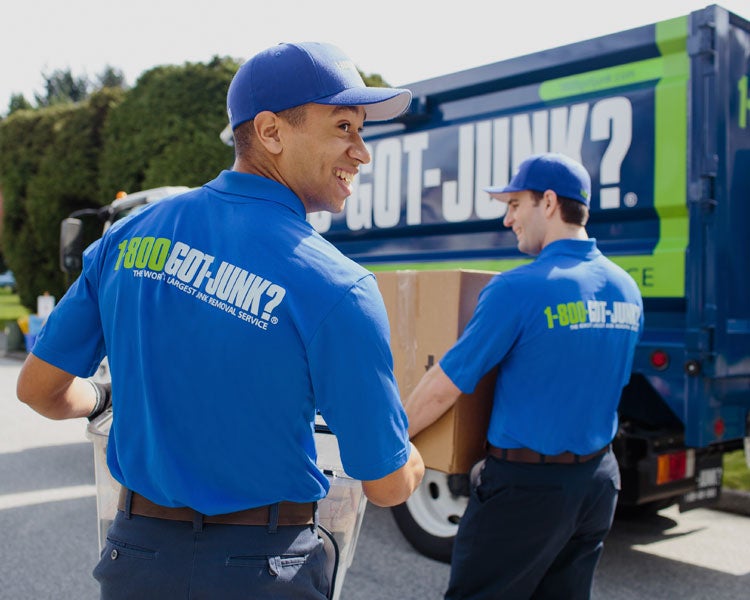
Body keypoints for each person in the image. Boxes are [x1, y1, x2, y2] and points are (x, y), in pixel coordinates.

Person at [17, 41, 424, 600]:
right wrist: (413, 458)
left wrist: (101, 396)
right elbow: (385, 485)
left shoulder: (127, 238)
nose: (362, 152)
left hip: (136, 560)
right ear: (271, 132)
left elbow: (39, 390)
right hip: (262, 572)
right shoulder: (337, 286)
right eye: (343, 127)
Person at [404, 153, 643, 600]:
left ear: (548, 202)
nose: (507, 218)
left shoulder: (518, 289)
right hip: (597, 483)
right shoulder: (626, 289)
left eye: (515, 204)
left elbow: (444, 386)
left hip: (527, 491)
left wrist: (387, 443)